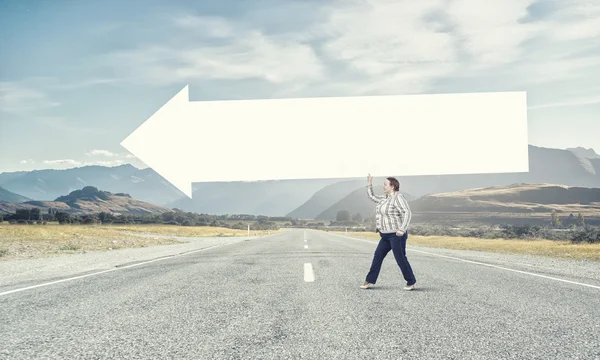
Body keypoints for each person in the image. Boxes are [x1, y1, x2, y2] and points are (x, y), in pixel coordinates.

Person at [360, 174, 416, 291]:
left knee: (400, 259)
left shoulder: (398, 198)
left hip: (396, 235)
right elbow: (372, 196)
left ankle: (410, 281)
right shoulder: (384, 198)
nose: (383, 186)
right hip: (384, 235)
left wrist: (402, 229)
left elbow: (407, 213)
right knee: (378, 257)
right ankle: (369, 280)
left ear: (392, 186)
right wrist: (369, 183)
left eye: (385, 184)